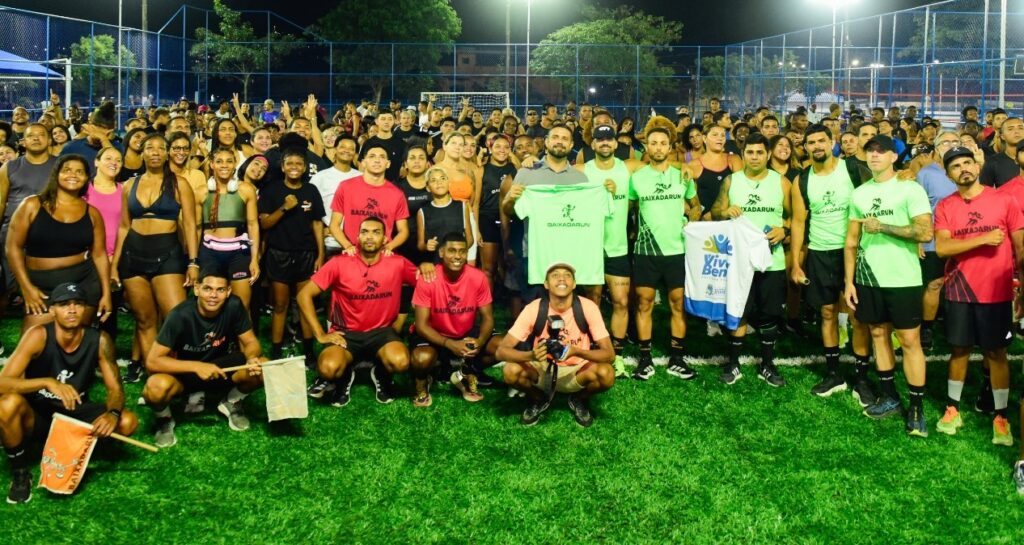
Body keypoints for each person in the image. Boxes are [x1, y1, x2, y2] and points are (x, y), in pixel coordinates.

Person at [0, 282, 138, 504]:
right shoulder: (38, 335)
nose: (72, 310)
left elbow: (115, 389)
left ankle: (71, 447)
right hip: (39, 412)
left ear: (85, 309)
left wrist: (112, 413)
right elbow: (2, 383)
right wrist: (46, 383)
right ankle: (20, 472)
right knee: (6, 405)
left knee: (128, 421)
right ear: (52, 310)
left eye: (78, 304)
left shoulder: (99, 339)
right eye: (64, 304)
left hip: (74, 413)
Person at [932, 147, 1023, 449]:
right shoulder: (945, 206)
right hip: (959, 289)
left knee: (996, 353)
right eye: (956, 166)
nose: (963, 169)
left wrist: (1021, 284)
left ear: (977, 164)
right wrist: (983, 238)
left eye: (967, 163)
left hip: (997, 291)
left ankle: (1001, 416)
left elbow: (1020, 247)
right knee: (959, 350)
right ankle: (952, 408)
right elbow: (943, 249)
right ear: (949, 174)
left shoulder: (1004, 200)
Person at [843, 135, 933, 437]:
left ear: (894, 157)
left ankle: (917, 408)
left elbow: (925, 232)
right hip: (869, 279)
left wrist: (885, 227)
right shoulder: (859, 194)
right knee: (878, 334)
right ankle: (889, 396)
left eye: (881, 152)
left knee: (909, 341)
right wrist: (849, 282)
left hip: (904, 279)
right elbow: (852, 242)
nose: (875, 156)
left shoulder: (911, 188)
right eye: (870, 152)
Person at [296, 217, 434, 407]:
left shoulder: (397, 263)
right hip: (346, 332)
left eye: (376, 232)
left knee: (401, 362)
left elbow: (428, 284)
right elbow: (303, 295)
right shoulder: (339, 263)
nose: (370, 237)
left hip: (381, 332)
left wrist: (427, 264)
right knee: (328, 368)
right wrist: (320, 334)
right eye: (365, 232)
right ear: (357, 237)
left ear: (385, 239)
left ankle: (380, 373)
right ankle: (344, 376)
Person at [790, 124, 875, 403]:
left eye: (821, 141)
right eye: (811, 142)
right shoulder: (801, 180)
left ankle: (862, 378)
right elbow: (799, 221)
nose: (817, 146)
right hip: (819, 252)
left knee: (857, 315)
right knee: (827, 313)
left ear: (832, 142)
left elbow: (874, 196)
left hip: (852, 251)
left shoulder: (851, 170)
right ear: (805, 148)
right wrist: (796, 263)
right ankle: (833, 373)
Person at [142, 268, 267, 448]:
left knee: (263, 366)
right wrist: (196, 367)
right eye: (208, 288)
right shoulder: (179, 315)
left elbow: (251, 342)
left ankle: (232, 400)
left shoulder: (233, 305)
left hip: (221, 370)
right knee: (155, 388)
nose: (213, 295)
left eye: (220, 290)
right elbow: (153, 361)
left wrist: (252, 358)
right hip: (185, 374)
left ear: (228, 292)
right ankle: (165, 419)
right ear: (197, 289)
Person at [111, 133, 199, 383]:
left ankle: (181, 374)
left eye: (161, 148)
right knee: (144, 320)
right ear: (142, 153)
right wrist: (115, 265)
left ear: (168, 153)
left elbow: (191, 225)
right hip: (133, 255)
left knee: (176, 317)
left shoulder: (180, 183)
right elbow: (123, 227)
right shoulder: (129, 185)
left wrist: (193, 261)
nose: (155, 152)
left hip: (168, 254)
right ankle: (156, 376)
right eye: (150, 147)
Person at [711, 133, 792, 387]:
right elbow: (714, 213)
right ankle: (733, 363)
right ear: (742, 154)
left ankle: (767, 365)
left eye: (759, 152)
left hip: (772, 260)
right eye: (750, 152)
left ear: (768, 155)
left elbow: (795, 218)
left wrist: (784, 230)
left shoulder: (782, 183)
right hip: (739, 262)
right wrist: (725, 212)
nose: (754, 157)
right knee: (739, 312)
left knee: (769, 315)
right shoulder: (731, 181)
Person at [496, 262, 615, 427]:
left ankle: (579, 399)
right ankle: (538, 399)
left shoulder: (588, 308)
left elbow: (609, 354)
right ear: (546, 284)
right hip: (543, 369)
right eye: (555, 275)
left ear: (574, 283)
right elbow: (501, 351)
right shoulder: (534, 308)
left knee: (606, 374)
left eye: (567, 275)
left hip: (576, 371)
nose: (561, 278)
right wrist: (531, 355)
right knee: (510, 370)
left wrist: (576, 352)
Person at [6, 154, 112, 333]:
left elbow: (99, 254)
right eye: (67, 170)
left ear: (87, 178)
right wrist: (26, 287)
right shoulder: (32, 205)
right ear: (57, 174)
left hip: (83, 281)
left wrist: (107, 293)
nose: (73, 175)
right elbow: (12, 248)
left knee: (75, 338)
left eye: (80, 172)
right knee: (34, 340)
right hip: (41, 285)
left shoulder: (92, 213)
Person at [628, 125, 700, 380]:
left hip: (677, 251)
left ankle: (677, 358)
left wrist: (691, 218)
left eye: (663, 143)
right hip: (646, 251)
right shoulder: (636, 178)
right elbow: (630, 208)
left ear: (670, 148)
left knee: (678, 304)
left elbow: (695, 205)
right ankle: (645, 358)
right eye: (653, 143)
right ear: (646, 147)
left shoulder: (683, 176)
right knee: (644, 303)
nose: (658, 147)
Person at [410, 233, 497, 406]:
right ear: (441, 252)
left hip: (464, 332)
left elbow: (488, 318)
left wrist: (479, 341)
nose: (457, 256)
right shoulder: (429, 277)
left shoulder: (478, 277)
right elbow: (421, 325)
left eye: (462, 251)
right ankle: (423, 380)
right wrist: (450, 344)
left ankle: (465, 372)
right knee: (422, 359)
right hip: (434, 334)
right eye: (451, 251)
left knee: (503, 346)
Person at [258, 148, 325, 366]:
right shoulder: (272, 190)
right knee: (280, 305)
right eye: (290, 163)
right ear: (283, 166)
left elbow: (317, 224)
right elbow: (264, 223)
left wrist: (320, 255)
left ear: (304, 168)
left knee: (305, 305)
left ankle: (308, 352)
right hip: (279, 254)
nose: (294, 167)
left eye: (298, 164)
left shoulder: (311, 190)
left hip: (306, 254)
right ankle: (276, 352)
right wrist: (284, 208)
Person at [196, 147, 260, 310]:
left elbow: (253, 224)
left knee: (241, 306)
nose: (224, 165)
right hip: (209, 253)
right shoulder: (201, 192)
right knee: (210, 303)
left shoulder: (246, 189)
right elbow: (196, 229)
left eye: (229, 161)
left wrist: (254, 259)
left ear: (235, 164)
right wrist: (193, 262)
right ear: (212, 165)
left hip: (238, 254)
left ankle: (241, 336)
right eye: (219, 161)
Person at [915, 132, 961, 349]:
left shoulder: (969, 169)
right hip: (934, 239)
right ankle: (927, 327)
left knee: (961, 284)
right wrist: (918, 239)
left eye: (955, 142)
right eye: (945, 142)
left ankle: (961, 326)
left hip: (966, 240)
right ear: (936, 148)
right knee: (934, 284)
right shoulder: (926, 174)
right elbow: (916, 208)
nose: (950, 145)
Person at [328, 144, 410, 257]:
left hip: (381, 256)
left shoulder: (397, 194)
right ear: (363, 162)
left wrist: (390, 246)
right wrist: (347, 246)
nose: (377, 160)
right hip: (352, 253)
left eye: (382, 157)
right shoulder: (345, 187)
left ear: (388, 164)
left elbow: (403, 230)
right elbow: (334, 224)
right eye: (372, 156)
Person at [476, 136, 516, 286]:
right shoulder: (482, 170)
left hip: (510, 217)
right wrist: (477, 229)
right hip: (488, 218)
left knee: (510, 263)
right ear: (490, 148)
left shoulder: (514, 169)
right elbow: (476, 201)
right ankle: (487, 305)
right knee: (488, 268)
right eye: (498, 146)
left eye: (506, 147)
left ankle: (509, 296)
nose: (502, 150)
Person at [417, 167, 473, 257]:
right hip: (435, 263)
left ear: (449, 183)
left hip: (457, 261)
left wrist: (459, 252)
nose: (439, 182)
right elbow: (420, 245)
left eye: (443, 178)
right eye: (433, 180)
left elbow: (470, 239)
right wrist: (427, 246)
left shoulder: (462, 206)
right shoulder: (423, 211)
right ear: (428, 187)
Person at [980, 117, 1023, 188]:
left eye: (1021, 128)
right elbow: (985, 194)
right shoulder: (992, 163)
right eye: (1010, 129)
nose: (1016, 131)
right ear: (1002, 136)